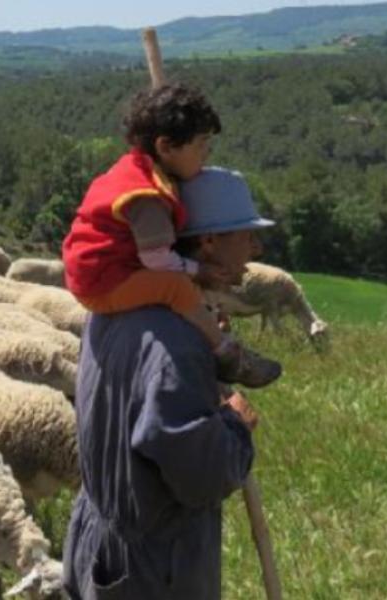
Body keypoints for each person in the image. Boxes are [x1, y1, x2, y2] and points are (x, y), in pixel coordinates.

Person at [62, 167, 271, 600]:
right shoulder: (175, 344)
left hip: (102, 542)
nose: (256, 248)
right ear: (209, 240)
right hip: (156, 568)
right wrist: (235, 427)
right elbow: (200, 474)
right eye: (245, 234)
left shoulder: (116, 307)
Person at [61, 83, 280, 388]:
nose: (207, 153)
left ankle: (212, 331)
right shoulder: (148, 197)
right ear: (165, 147)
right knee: (176, 289)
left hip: (97, 273)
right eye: (201, 144)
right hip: (105, 282)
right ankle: (228, 354)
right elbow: (156, 258)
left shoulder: (136, 171)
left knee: (181, 289)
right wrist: (198, 270)